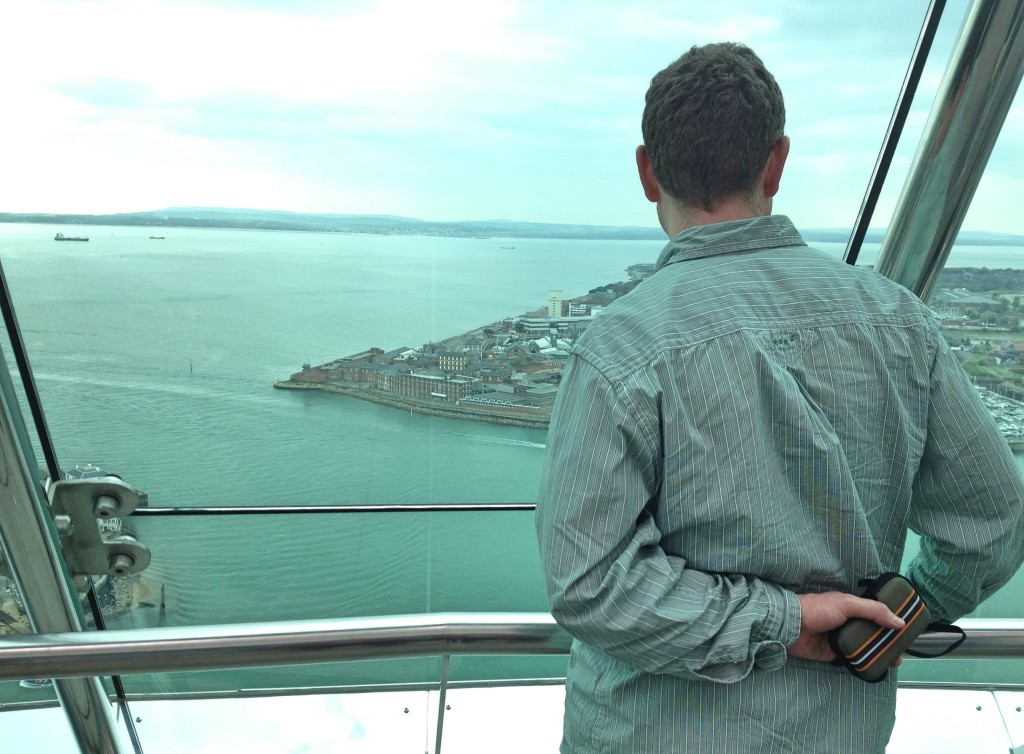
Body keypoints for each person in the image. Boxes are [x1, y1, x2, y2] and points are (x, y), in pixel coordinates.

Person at [535, 42, 1024, 753]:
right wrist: (883, 621)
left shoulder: (621, 346)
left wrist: (786, 623)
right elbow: (992, 523)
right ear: (777, 161)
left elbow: (589, 584)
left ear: (648, 172)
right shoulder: (898, 320)